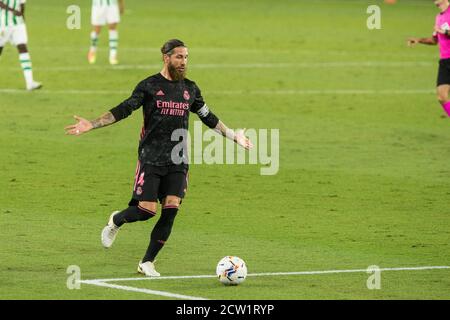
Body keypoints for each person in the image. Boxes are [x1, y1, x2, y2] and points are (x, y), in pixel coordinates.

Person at [65, 39, 253, 277]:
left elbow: (208, 117)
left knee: (171, 208)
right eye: (179, 57)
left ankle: (147, 262)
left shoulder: (191, 89)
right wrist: (92, 124)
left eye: (186, 57)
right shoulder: (149, 86)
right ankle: (117, 220)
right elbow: (124, 109)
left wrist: (233, 136)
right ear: (166, 57)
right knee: (146, 211)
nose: (183, 62)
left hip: (178, 159)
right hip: (151, 158)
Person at [408, 0, 450, 116]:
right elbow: (434, 40)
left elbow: (443, 32)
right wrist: (419, 40)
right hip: (445, 61)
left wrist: (444, 31)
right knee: (442, 96)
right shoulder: (438, 17)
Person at [0, 0, 42, 90]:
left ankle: (30, 83)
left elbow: (22, 5)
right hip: (3, 24)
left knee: (23, 48)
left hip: (18, 24)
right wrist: (12, 10)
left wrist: (23, 18)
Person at [88, 0, 124, 65]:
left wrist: (121, 4)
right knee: (97, 29)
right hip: (98, 5)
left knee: (112, 27)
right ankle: (92, 50)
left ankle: (113, 54)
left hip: (112, 5)